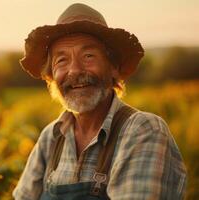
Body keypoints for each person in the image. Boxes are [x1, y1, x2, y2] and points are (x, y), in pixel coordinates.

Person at [13, 3, 187, 200]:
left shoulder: (143, 130)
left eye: (88, 56)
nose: (75, 70)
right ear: (52, 75)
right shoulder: (51, 138)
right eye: (61, 60)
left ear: (113, 67)